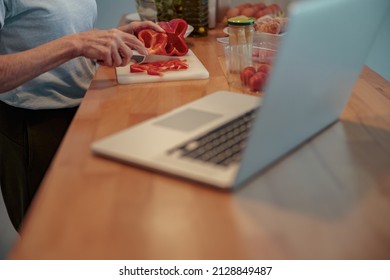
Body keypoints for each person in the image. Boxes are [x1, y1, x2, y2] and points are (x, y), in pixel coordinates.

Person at [0, 0, 164, 231]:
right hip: (36, 127)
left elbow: (56, 30)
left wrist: (108, 37)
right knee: (49, 241)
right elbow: (71, 41)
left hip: (85, 111)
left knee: (89, 229)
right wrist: (76, 44)